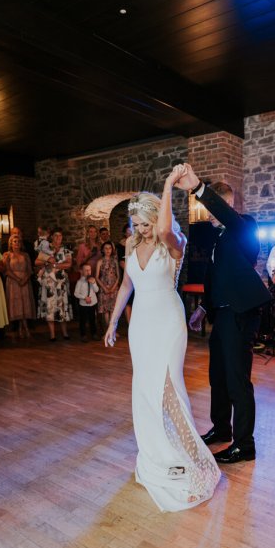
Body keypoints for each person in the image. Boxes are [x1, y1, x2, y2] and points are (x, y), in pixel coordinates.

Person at [104, 167, 220, 512]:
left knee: (169, 391)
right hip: (140, 324)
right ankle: (158, 453)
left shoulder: (174, 243)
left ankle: (192, 460)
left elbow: (167, 228)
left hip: (168, 322)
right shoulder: (130, 243)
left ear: (156, 217)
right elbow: (127, 285)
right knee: (144, 389)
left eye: (145, 223)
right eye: (135, 225)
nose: (140, 231)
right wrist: (112, 323)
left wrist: (169, 185)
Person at [175, 164, 272, 464]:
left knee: (236, 378)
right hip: (223, 313)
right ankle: (221, 429)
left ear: (228, 203)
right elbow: (217, 277)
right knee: (217, 374)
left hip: (241, 313)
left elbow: (228, 218)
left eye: (213, 205)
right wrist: (203, 308)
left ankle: (245, 445)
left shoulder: (245, 226)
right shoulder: (217, 237)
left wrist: (198, 188)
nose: (209, 212)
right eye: (206, 207)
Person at [35, 228, 73, 341]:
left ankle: (65, 332)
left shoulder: (65, 249)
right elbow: (37, 262)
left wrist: (55, 265)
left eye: (60, 236)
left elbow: (69, 264)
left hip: (61, 282)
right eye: (56, 236)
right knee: (50, 306)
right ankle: (52, 334)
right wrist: (47, 262)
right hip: (49, 282)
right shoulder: (46, 248)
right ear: (51, 237)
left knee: (62, 306)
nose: (58, 238)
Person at [5, 234, 36, 338]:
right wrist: (18, 279)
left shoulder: (25, 255)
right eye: (14, 241)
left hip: (25, 281)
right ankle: (20, 328)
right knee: (16, 305)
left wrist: (25, 279)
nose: (17, 243)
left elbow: (30, 270)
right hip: (13, 282)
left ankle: (25, 328)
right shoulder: (7, 255)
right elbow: (7, 270)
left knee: (25, 304)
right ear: (11, 243)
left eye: (18, 241)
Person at [96, 240, 120, 333]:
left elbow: (118, 276)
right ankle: (108, 330)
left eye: (109, 248)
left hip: (114, 287)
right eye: (105, 248)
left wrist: (114, 287)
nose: (108, 250)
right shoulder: (100, 261)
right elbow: (97, 277)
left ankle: (114, 330)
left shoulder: (115, 261)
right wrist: (104, 288)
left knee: (113, 310)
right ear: (102, 250)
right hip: (104, 287)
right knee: (106, 310)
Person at [74, 264, 101, 342]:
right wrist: (84, 297)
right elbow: (76, 293)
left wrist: (94, 283)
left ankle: (94, 333)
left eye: (89, 270)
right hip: (83, 304)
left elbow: (96, 290)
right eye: (86, 270)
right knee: (83, 320)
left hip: (93, 304)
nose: (88, 272)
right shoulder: (79, 282)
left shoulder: (93, 280)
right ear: (82, 271)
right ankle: (83, 335)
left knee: (92, 319)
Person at [116, 222, 134, 324]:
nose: (130, 234)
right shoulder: (121, 246)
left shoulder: (138, 244)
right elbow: (121, 262)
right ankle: (129, 324)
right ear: (125, 233)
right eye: (128, 232)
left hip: (138, 276)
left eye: (131, 232)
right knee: (128, 301)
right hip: (127, 275)